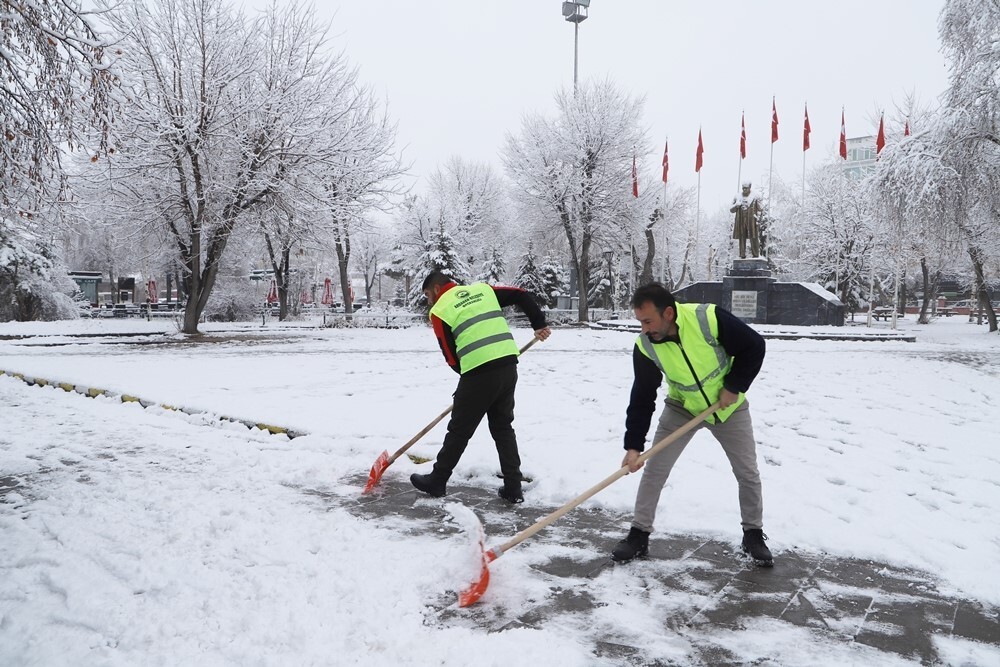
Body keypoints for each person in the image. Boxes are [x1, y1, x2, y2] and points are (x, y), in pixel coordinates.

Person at [611, 283, 773, 567]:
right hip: (682, 406)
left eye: (648, 321)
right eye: (640, 322)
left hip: (728, 408)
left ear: (669, 314)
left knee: (747, 471)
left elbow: (754, 346)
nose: (644, 329)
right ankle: (638, 534)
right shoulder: (646, 346)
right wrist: (634, 445)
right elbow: (642, 395)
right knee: (655, 470)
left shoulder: (708, 319)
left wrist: (734, 385)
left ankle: (753, 534)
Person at [410, 271, 552, 503]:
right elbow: (521, 294)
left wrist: (468, 384)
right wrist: (538, 324)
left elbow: (450, 356)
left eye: (427, 295)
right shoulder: (483, 290)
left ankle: (437, 480)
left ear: (436, 289)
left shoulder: (440, 309)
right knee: (503, 427)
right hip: (508, 364)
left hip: (478, 372)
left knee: (459, 430)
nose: (428, 301)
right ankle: (513, 487)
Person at [730, 181, 761, 259]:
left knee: (753, 237)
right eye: (743, 188)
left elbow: (760, 209)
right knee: (742, 237)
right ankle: (742, 254)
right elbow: (731, 209)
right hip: (741, 221)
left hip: (751, 221)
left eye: (746, 188)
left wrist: (758, 220)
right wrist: (736, 206)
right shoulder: (737, 196)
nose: (744, 190)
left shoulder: (755, 196)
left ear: (750, 188)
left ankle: (755, 254)